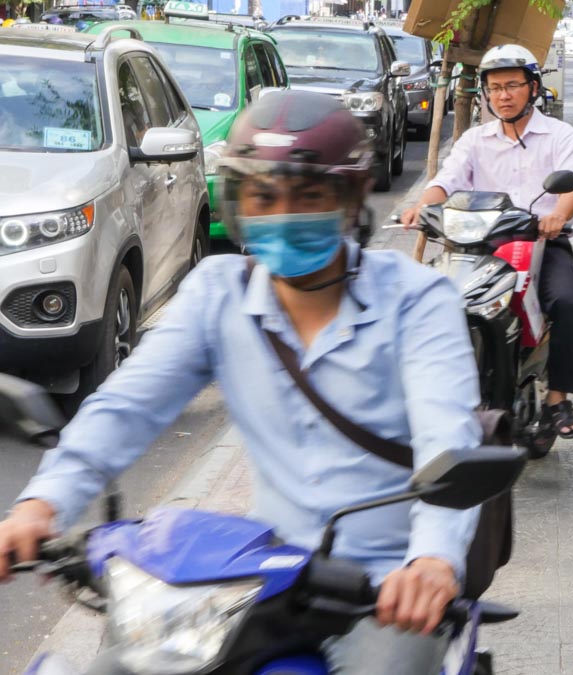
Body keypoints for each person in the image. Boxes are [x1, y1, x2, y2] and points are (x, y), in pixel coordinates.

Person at [0, 91, 482, 674]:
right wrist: (41, 504)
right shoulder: (216, 293)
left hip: (385, 588)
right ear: (238, 201)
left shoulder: (418, 301)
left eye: (308, 196)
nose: (282, 214)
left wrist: (431, 562)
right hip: (259, 577)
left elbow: (448, 440)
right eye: (263, 195)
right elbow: (125, 408)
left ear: (351, 199)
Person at [399, 44, 573, 440]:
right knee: (431, 304)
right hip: (478, 248)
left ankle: (557, 399)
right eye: (496, 87)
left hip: (540, 243)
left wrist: (557, 215)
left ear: (533, 88)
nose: (504, 95)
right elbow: (445, 181)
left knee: (569, 305)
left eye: (513, 86)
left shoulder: (560, 135)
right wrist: (422, 208)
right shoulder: (474, 140)